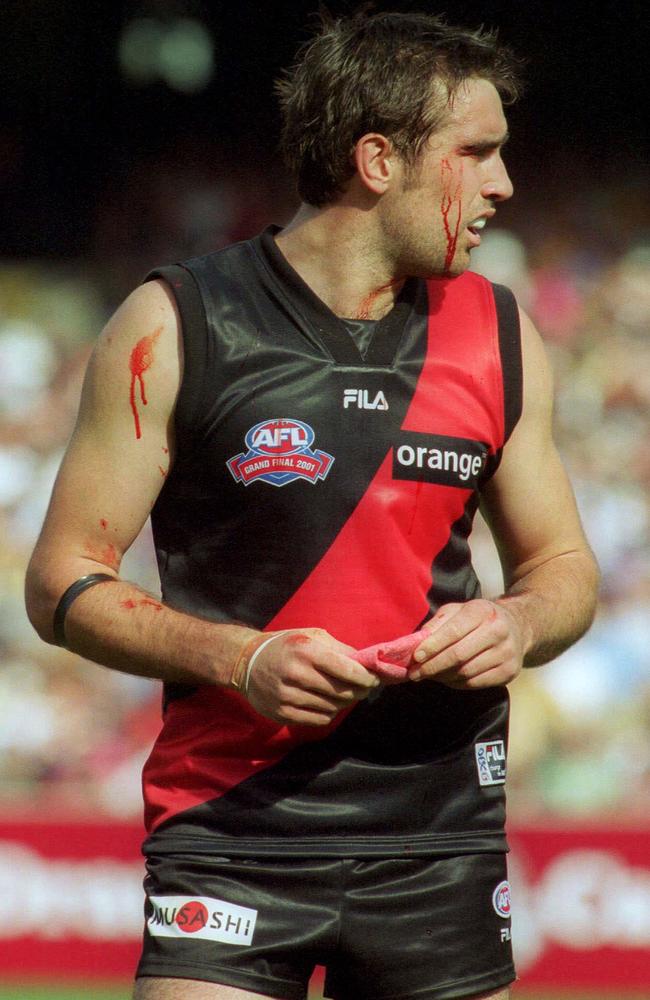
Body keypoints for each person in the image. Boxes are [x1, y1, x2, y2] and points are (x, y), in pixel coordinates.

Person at [25, 9, 600, 1000]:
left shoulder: (499, 334)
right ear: (378, 159)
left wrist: (513, 620)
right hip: (227, 833)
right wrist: (238, 658)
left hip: (439, 840)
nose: (504, 184)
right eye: (477, 152)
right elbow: (60, 580)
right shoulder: (176, 323)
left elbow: (564, 573)